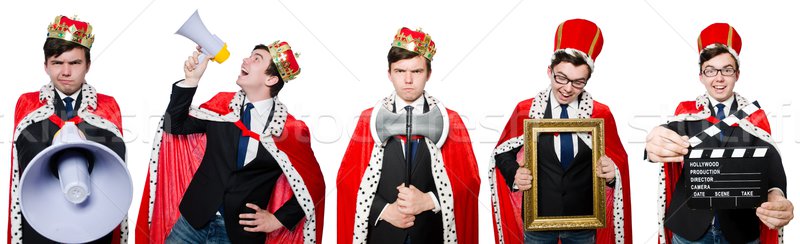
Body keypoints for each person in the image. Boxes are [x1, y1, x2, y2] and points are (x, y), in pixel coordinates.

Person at [135, 41, 325, 243]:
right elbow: (175, 126)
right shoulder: (223, 107)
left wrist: (278, 219)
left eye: (256, 59)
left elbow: (314, 184)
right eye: (250, 55)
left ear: (270, 78)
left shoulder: (289, 130)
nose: (245, 60)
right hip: (192, 222)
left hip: (239, 236)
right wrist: (192, 80)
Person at [645, 23, 793, 244]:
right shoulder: (686, 112)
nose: (719, 78)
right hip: (690, 228)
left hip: (741, 228)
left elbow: (771, 166)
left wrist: (777, 194)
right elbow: (664, 136)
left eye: (727, 70)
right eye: (711, 70)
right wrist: (652, 142)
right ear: (701, 76)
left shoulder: (754, 117)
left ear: (737, 74)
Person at [489, 19, 632, 244]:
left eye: (578, 82)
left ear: (587, 80)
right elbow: (502, 152)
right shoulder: (527, 109)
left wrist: (613, 172)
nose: (567, 88)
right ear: (550, 71)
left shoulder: (600, 114)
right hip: (537, 222)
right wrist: (515, 173)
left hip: (584, 223)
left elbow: (619, 161)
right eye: (561, 78)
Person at [336, 27, 481, 244]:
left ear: (428, 74)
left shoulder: (450, 120)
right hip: (383, 235)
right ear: (389, 74)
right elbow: (347, 182)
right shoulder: (370, 119)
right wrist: (384, 210)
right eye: (400, 71)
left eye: (416, 71)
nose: (408, 80)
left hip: (431, 235)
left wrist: (430, 200)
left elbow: (469, 181)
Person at [8, 15, 128, 243]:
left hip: (93, 223)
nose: (65, 72)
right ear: (45, 65)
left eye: (74, 63)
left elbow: (116, 163)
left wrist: (86, 134)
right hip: (42, 221)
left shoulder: (107, 105)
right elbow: (24, 159)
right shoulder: (29, 103)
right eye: (57, 63)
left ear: (88, 65)